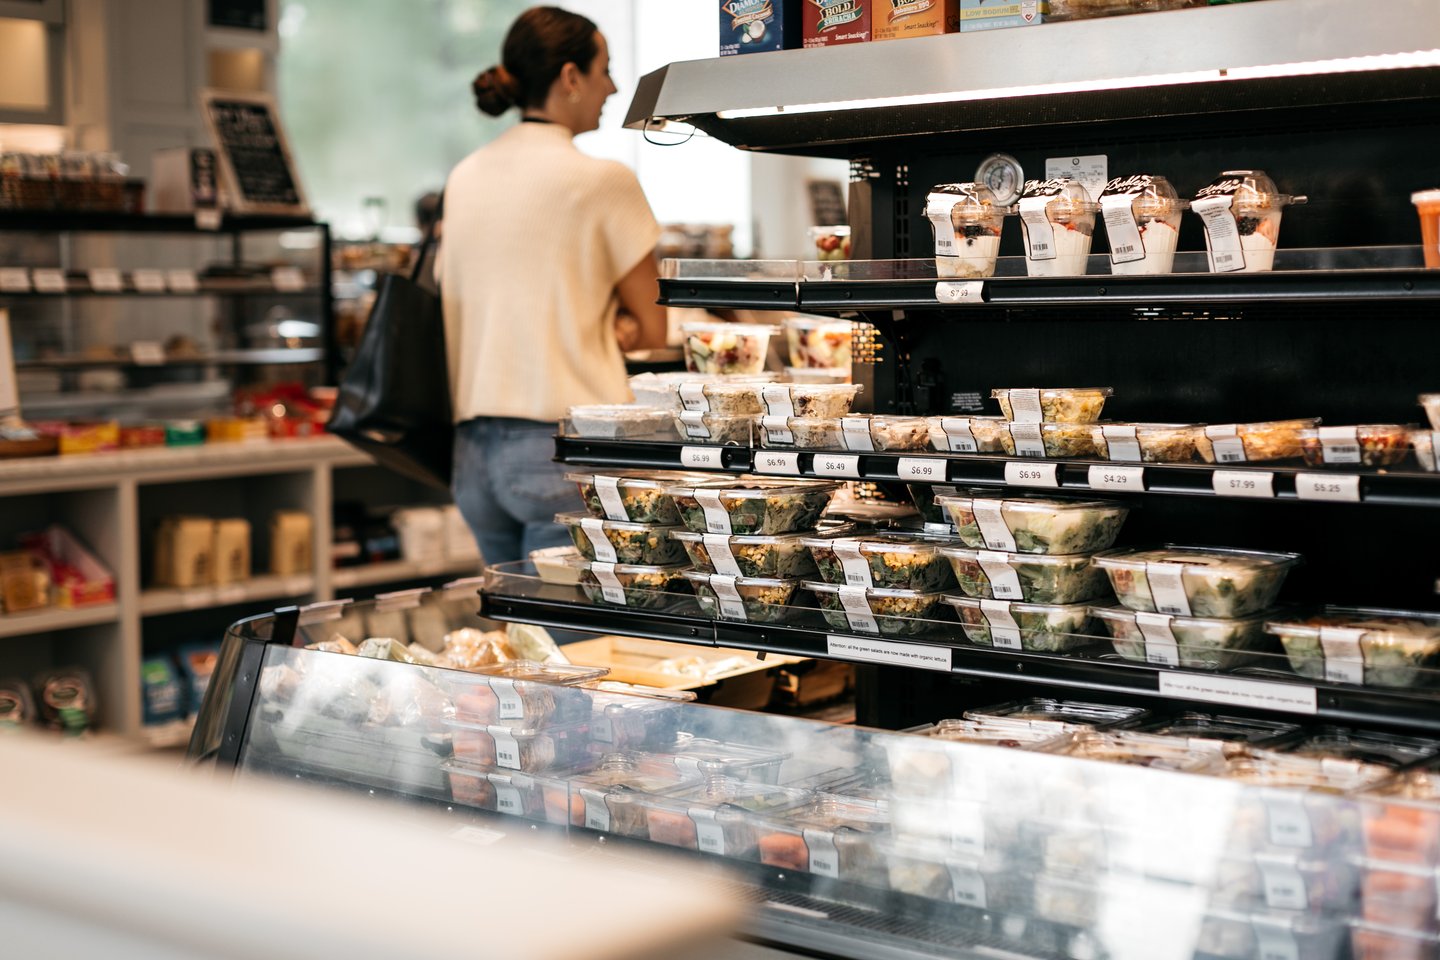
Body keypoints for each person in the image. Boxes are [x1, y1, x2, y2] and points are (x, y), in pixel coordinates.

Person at [440, 6, 668, 566]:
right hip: (562, 446)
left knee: (519, 642)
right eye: (605, 69)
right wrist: (609, 321)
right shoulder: (603, 181)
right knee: (577, 646)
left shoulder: (464, 174)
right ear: (570, 77)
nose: (613, 86)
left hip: (473, 456)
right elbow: (654, 327)